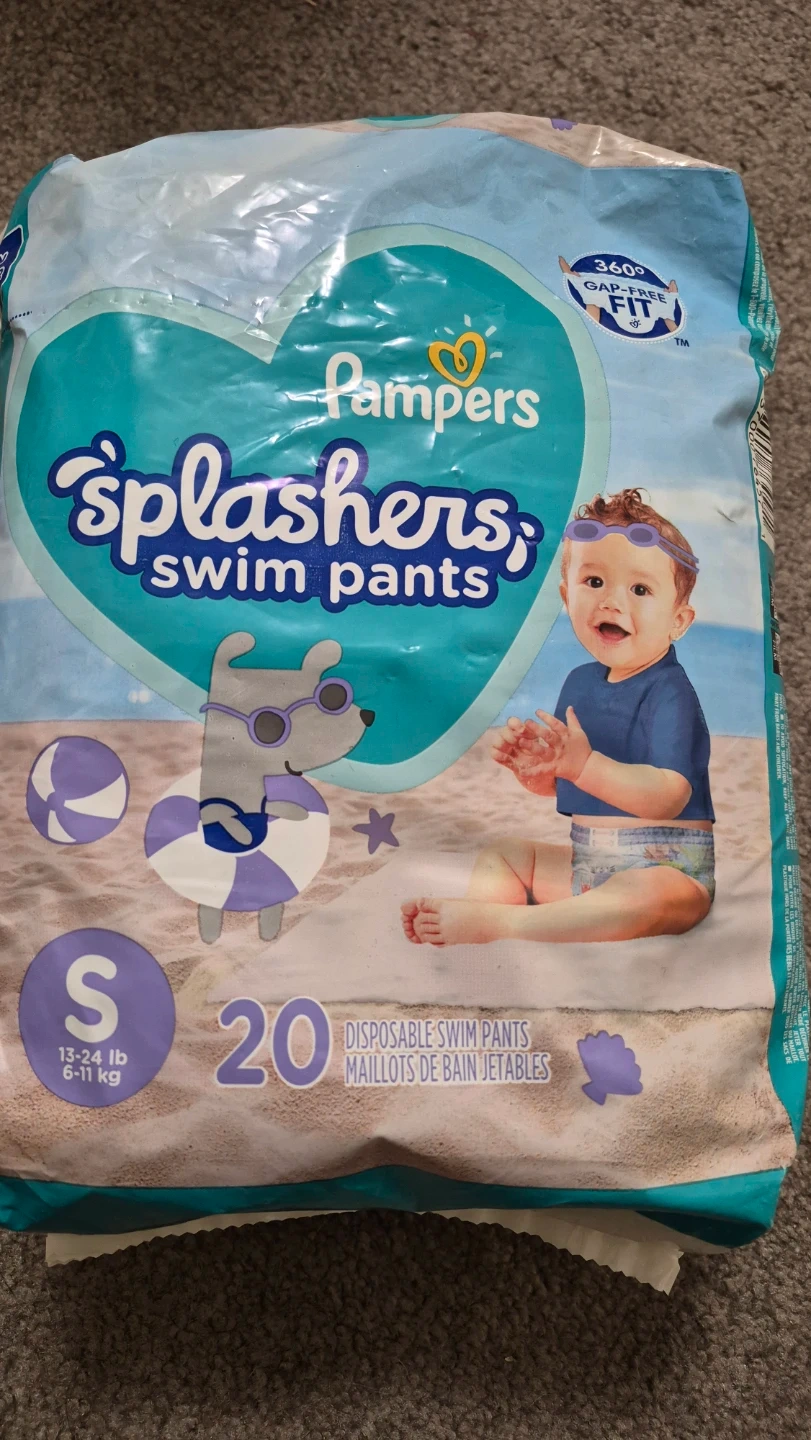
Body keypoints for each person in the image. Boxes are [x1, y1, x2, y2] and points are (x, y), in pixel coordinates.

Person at [402, 488, 715, 946]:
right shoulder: (579, 683)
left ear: (678, 621)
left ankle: (504, 925)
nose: (611, 602)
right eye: (594, 581)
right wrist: (540, 774)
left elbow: (668, 797)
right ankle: (485, 917)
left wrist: (583, 765)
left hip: (669, 869)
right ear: (567, 597)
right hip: (586, 864)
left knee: (642, 896)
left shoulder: (671, 691)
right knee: (505, 854)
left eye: (640, 589)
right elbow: (573, 786)